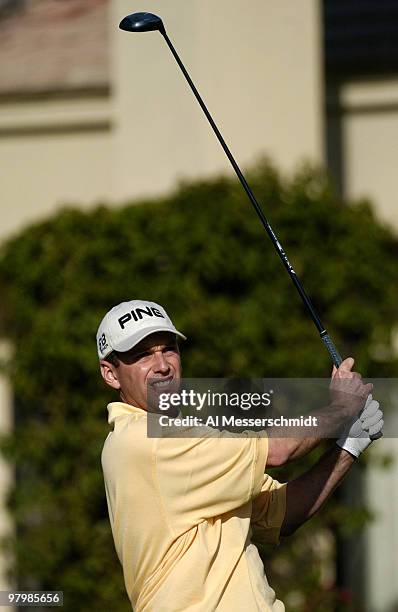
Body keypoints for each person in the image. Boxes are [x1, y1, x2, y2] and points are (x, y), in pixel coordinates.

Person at [98, 299, 383, 611]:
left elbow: (279, 514)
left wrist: (348, 447)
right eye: (141, 355)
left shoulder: (179, 436)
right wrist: (341, 407)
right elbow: (277, 451)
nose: (163, 364)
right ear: (111, 375)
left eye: (168, 348)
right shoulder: (144, 439)